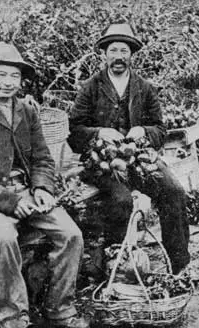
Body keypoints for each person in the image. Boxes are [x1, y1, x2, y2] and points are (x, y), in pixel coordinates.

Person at [0, 42, 89, 328]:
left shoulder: (27, 111)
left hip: (26, 193)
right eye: (1, 75)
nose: (7, 82)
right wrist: (12, 202)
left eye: (14, 76)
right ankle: (14, 319)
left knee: (71, 234)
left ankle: (59, 309)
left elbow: (42, 158)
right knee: (3, 238)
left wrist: (41, 188)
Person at [67, 24, 190, 275]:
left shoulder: (144, 88)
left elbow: (160, 129)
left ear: (132, 54)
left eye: (124, 50)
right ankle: (117, 267)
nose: (119, 56)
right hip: (103, 164)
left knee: (174, 192)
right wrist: (99, 133)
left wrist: (143, 131)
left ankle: (180, 266)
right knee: (121, 200)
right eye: (113, 50)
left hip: (139, 160)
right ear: (104, 54)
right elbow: (75, 131)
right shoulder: (91, 87)